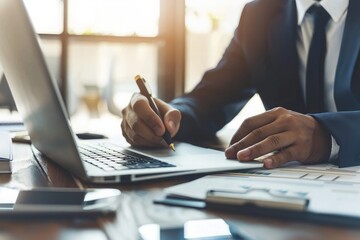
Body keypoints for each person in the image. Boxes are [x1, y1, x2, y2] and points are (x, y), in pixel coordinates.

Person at [121, 0, 360, 169]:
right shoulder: (259, 15)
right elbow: (209, 99)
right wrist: (166, 117)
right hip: (289, 186)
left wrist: (328, 135)